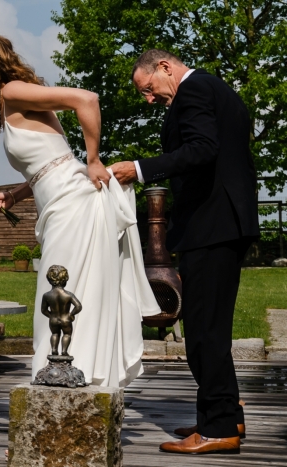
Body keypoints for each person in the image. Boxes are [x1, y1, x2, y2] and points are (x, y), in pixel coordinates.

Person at [0, 35, 161, 389]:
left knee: (58, 297)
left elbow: (87, 99)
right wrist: (15, 195)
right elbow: (45, 164)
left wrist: (94, 159)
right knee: (66, 294)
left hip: (71, 203)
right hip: (57, 201)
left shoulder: (12, 91)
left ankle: (65, 385)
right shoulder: (14, 97)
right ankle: (71, 384)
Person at [110, 49, 258, 455]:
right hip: (224, 223)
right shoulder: (215, 88)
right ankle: (226, 412)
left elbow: (202, 149)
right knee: (210, 329)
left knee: (205, 333)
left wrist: (139, 169)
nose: (148, 99)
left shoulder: (193, 90)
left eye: (149, 88)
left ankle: (218, 429)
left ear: (164, 67)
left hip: (212, 226)